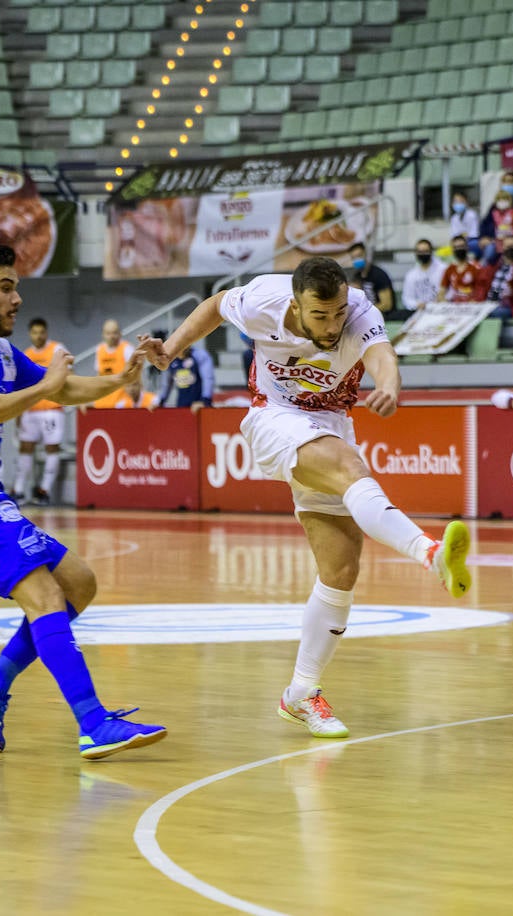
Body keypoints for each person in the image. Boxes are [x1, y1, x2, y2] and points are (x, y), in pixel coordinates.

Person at [141, 256, 473, 737]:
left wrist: (389, 385)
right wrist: (171, 348)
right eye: (320, 316)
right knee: (350, 467)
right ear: (296, 305)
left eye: (338, 313)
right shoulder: (262, 300)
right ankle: (431, 554)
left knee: (340, 569)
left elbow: (382, 355)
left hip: (331, 423)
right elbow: (214, 306)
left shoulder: (359, 311)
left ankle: (300, 693)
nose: (333, 325)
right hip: (272, 415)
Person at [0, 245, 167, 759]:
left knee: (79, 582)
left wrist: (121, 380)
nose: (17, 298)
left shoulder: (1, 351)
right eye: (6, 287)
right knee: (47, 597)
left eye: (17, 287)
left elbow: (66, 389)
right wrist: (47, 385)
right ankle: (93, 723)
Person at [12, 318, 66, 505]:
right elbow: (20, 387)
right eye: (35, 332)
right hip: (30, 409)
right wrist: (18, 413)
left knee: (52, 448)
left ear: (46, 332)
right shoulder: (26, 355)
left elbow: (69, 374)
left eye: (41, 332)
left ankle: (44, 490)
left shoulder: (57, 350)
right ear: (30, 334)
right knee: (25, 448)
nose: (38, 336)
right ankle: (19, 490)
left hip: (52, 409)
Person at [345, 242, 398, 318]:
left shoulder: (378, 274)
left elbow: (387, 305)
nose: (357, 260)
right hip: (368, 316)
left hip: (385, 317)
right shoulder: (357, 276)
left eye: (359, 256)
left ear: (366, 255)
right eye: (354, 258)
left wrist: (365, 311)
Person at [159, 342, 215, 411]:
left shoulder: (200, 355)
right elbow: (166, 383)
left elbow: (208, 379)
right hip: (181, 404)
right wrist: (160, 401)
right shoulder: (170, 360)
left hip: (200, 405)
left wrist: (204, 401)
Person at [93, 319, 134, 409]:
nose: (111, 336)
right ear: (103, 334)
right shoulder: (99, 349)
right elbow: (98, 376)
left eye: (114, 333)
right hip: (103, 401)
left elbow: (134, 376)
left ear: (120, 333)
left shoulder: (127, 349)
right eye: (108, 333)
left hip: (122, 402)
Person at [401, 239, 445, 315]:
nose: (423, 254)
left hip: (440, 311)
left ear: (431, 252)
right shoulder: (411, 275)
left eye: (425, 251)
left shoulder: (443, 270)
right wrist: (417, 305)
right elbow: (407, 299)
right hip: (419, 312)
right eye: (420, 252)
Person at [439, 235, 479, 302]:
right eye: (456, 247)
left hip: (471, 303)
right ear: (452, 250)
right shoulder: (450, 269)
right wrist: (443, 300)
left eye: (461, 246)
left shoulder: (476, 267)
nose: (459, 249)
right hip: (453, 304)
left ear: (467, 247)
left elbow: (480, 290)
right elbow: (442, 291)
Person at [448, 192, 480, 257]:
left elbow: (474, 234)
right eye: (455, 201)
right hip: (458, 242)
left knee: (471, 245)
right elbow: (454, 235)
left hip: (471, 241)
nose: (458, 204)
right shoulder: (454, 218)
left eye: (460, 201)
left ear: (466, 203)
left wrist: (463, 240)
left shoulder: (472, 215)